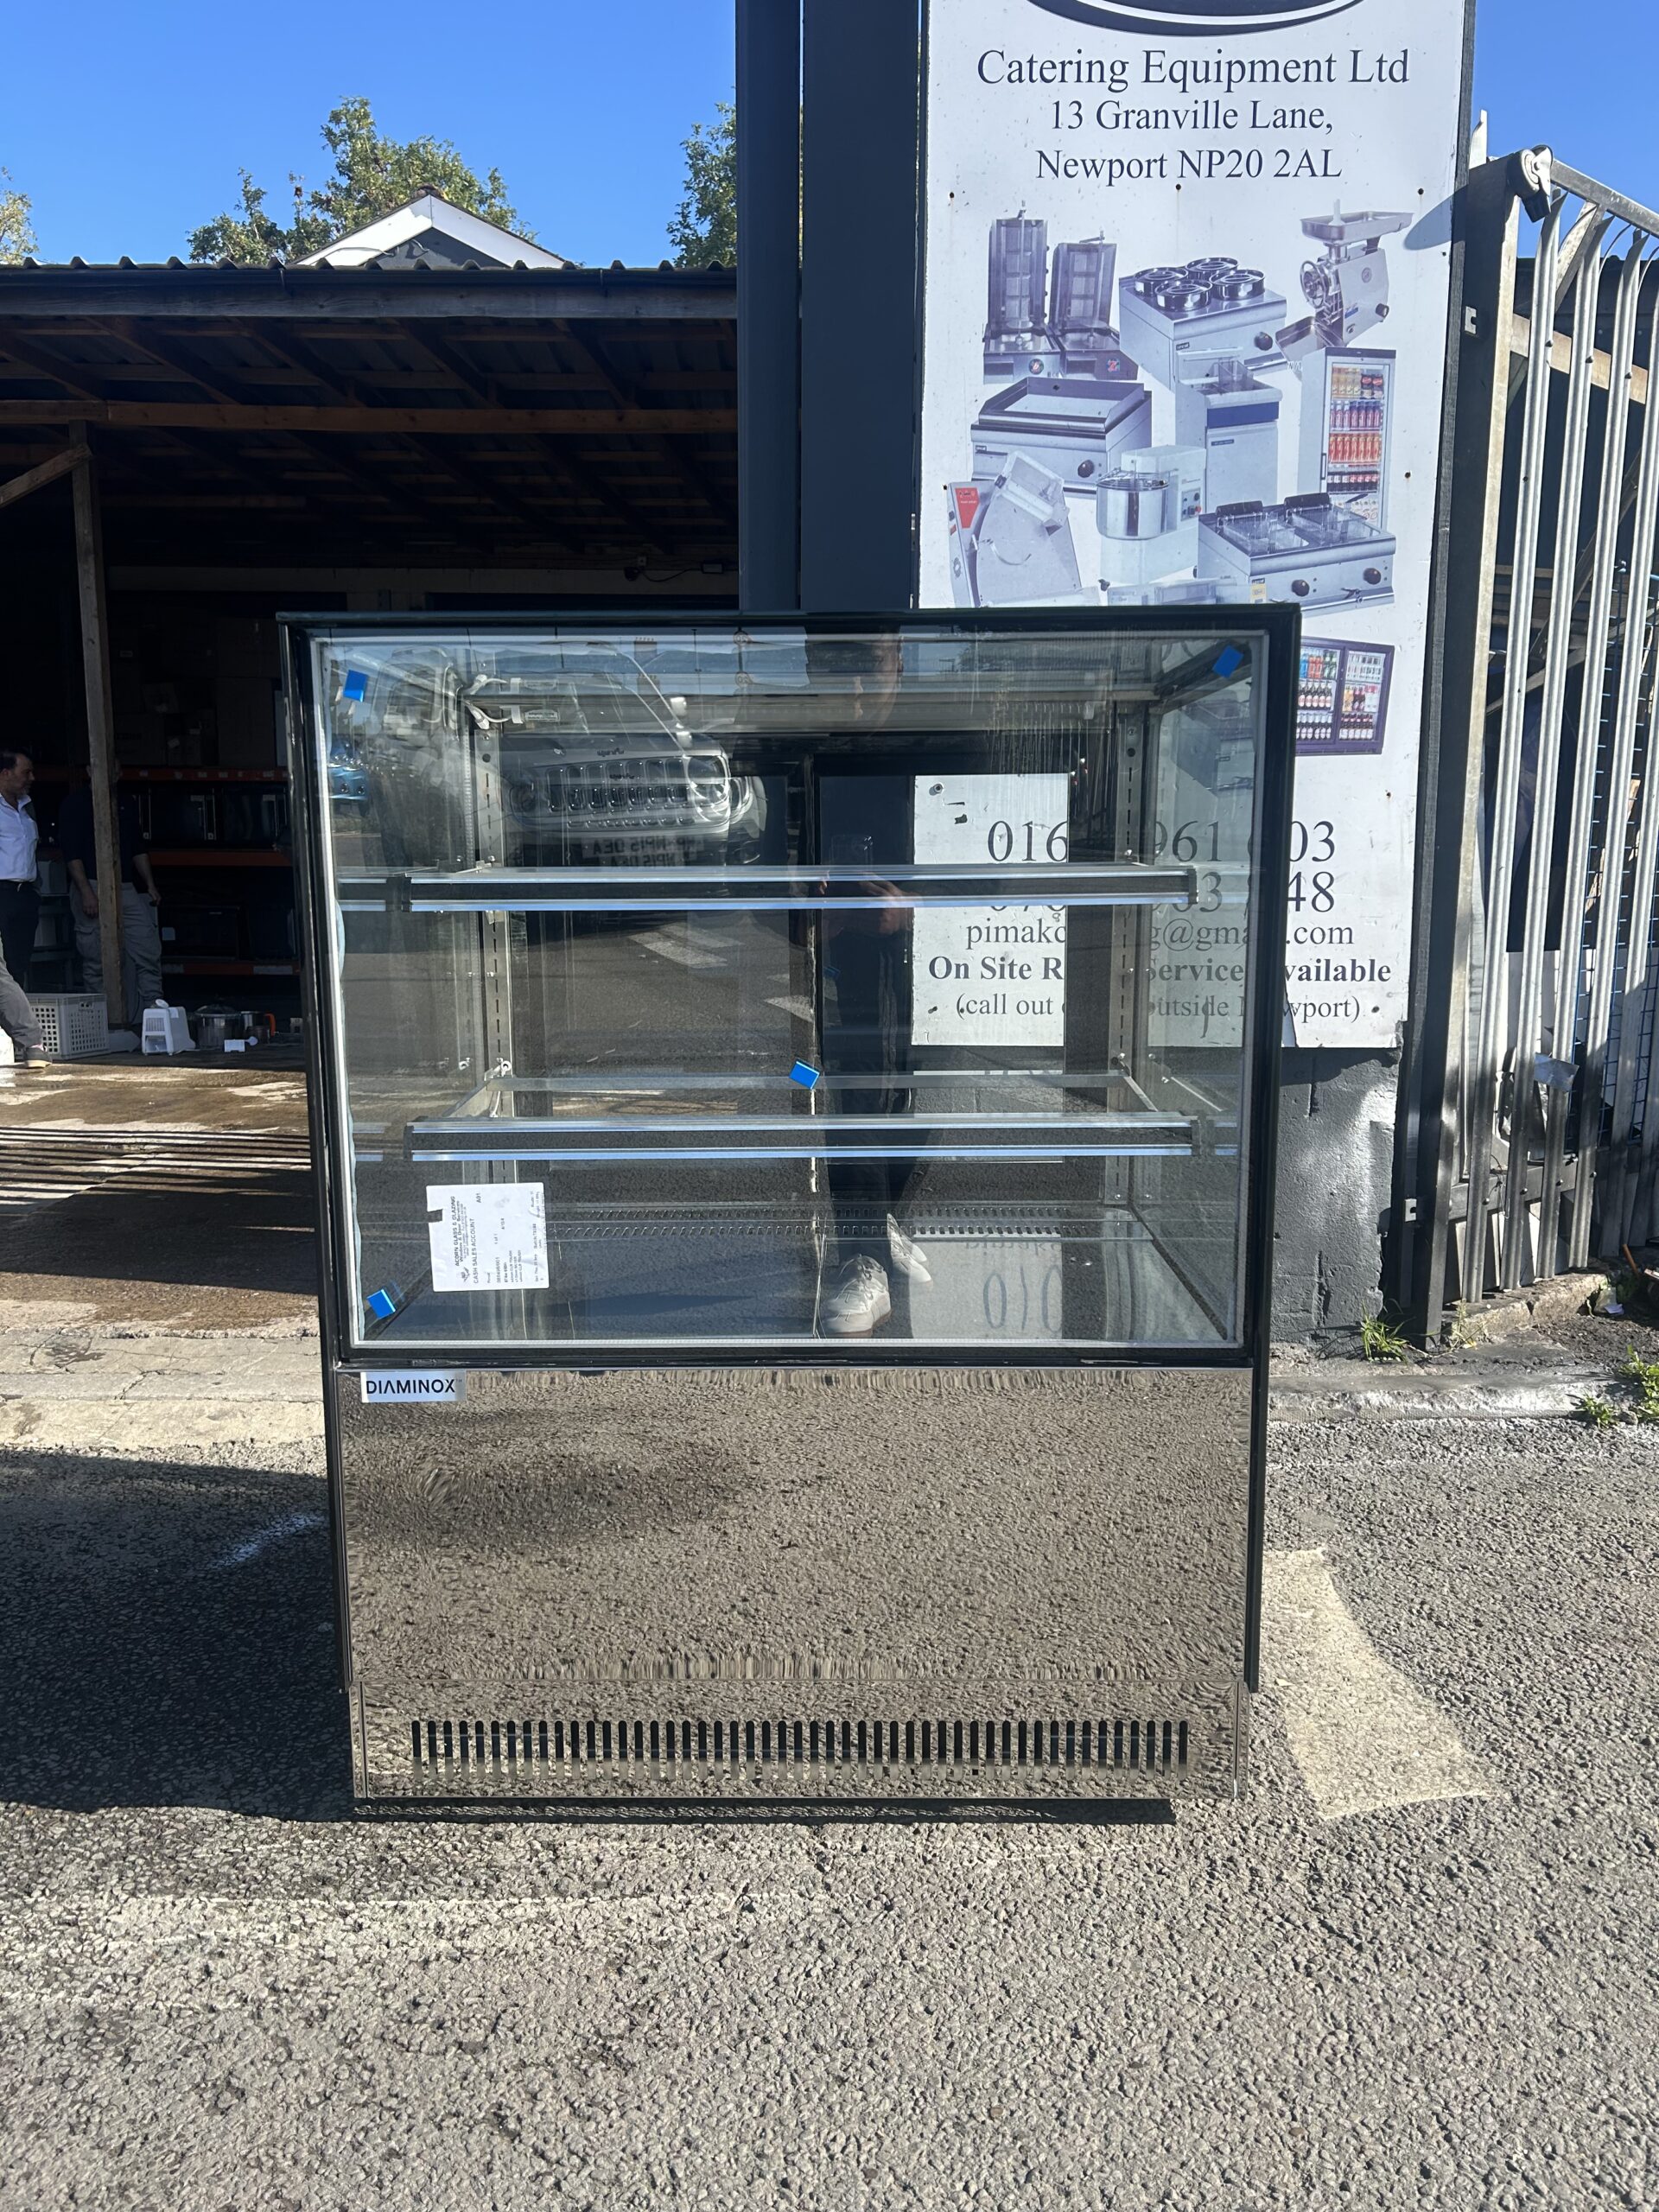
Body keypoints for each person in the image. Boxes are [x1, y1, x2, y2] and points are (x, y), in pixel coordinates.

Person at [57, 761, 165, 1026]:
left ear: (119, 774)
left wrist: (149, 884)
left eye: (115, 770)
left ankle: (157, 1015)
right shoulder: (75, 804)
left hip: (125, 886)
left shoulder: (125, 802)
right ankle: (98, 1022)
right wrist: (86, 892)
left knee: (148, 948)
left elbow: (138, 848)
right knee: (95, 958)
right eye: (104, 770)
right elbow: (71, 854)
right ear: (89, 771)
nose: (110, 775)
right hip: (91, 884)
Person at [0, 747, 46, 1065]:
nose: (31, 778)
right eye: (25, 772)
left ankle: (11, 1040)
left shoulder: (27, 808)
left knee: (17, 967)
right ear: (5, 774)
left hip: (24, 894)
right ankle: (30, 1040)